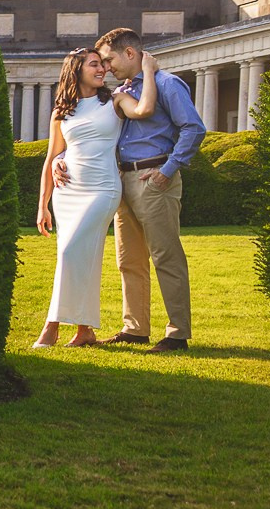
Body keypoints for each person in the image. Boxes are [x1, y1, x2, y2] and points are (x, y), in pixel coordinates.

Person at [54, 28, 206, 352]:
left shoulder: (166, 84)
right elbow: (96, 134)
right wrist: (62, 158)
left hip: (154, 179)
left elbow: (194, 128)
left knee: (166, 257)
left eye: (109, 59)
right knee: (129, 260)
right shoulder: (119, 92)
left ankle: (177, 333)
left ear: (130, 54)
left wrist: (167, 171)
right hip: (122, 182)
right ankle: (135, 328)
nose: (105, 67)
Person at [34, 45, 160, 348]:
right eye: (94, 64)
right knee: (80, 257)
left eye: (102, 64)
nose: (101, 69)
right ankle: (85, 330)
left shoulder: (115, 102)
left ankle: (51, 326)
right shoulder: (61, 112)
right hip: (67, 193)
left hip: (102, 189)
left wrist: (150, 73)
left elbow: (144, 110)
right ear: (76, 71)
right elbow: (52, 155)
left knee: (70, 253)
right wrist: (43, 205)